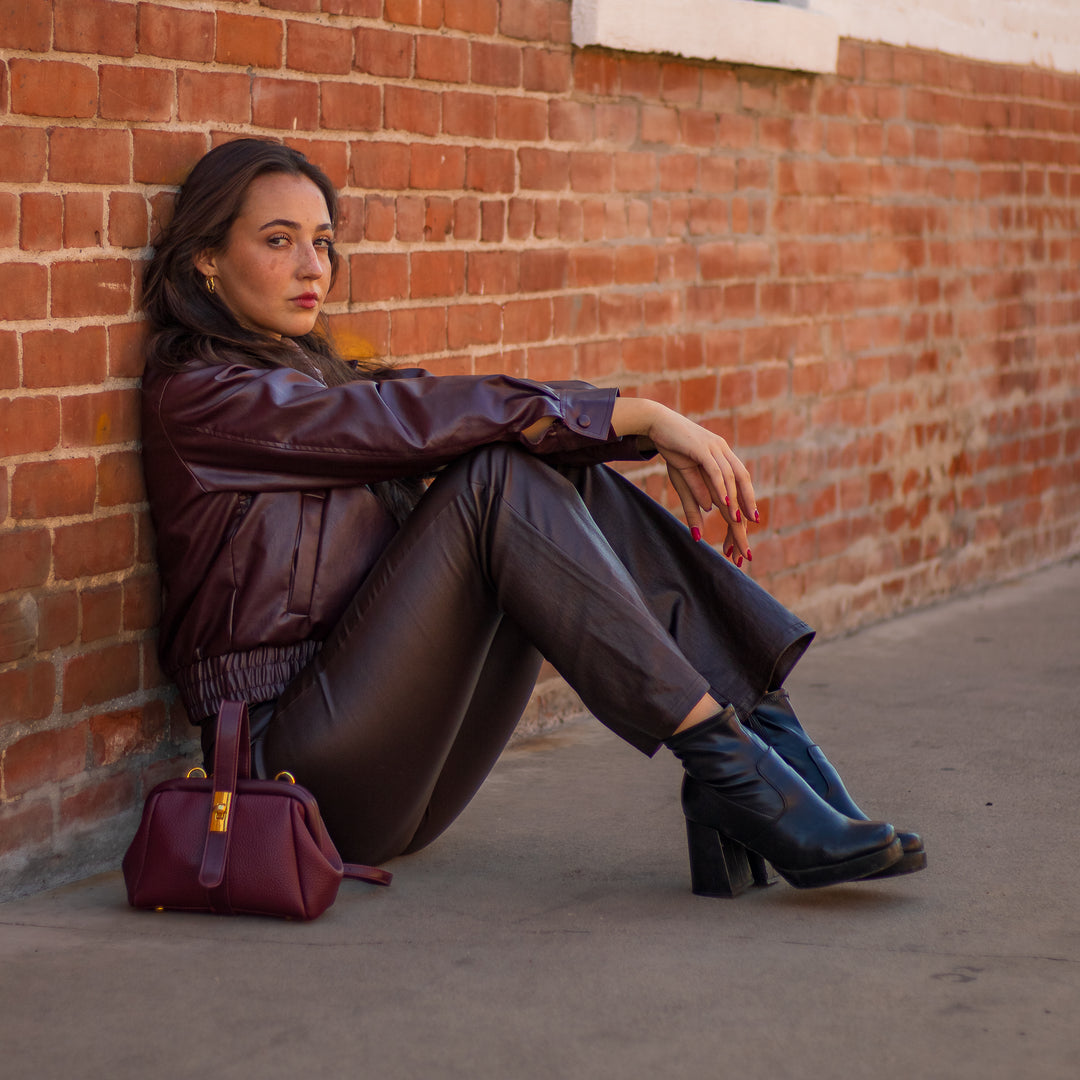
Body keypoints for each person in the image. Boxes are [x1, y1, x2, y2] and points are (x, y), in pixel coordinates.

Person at [140, 138, 925, 898]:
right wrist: (639, 413)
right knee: (497, 475)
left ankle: (770, 752)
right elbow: (405, 418)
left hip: (393, 769)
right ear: (207, 258)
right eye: (279, 241)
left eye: (323, 242)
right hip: (292, 781)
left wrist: (611, 426)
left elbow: (437, 413)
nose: (314, 268)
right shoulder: (204, 397)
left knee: (543, 459)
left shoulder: (309, 375)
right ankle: (742, 779)